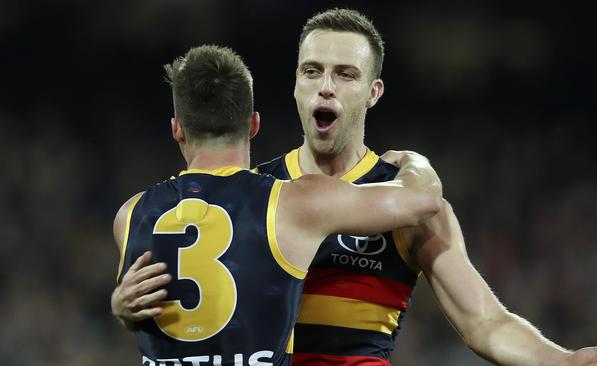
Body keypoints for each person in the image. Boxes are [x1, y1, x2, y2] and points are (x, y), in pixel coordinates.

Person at [112, 9, 597, 366]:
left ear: (373, 92)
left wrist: (559, 360)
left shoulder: (405, 205)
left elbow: (485, 323)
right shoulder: (257, 193)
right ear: (294, 84)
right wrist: (122, 307)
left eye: (345, 74)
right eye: (312, 71)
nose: (325, 86)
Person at [112, 44, 442, 365]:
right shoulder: (292, 202)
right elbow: (424, 199)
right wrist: (412, 160)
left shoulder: (131, 216)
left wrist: (119, 307)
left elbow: (147, 310)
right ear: (253, 125)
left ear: (177, 130)